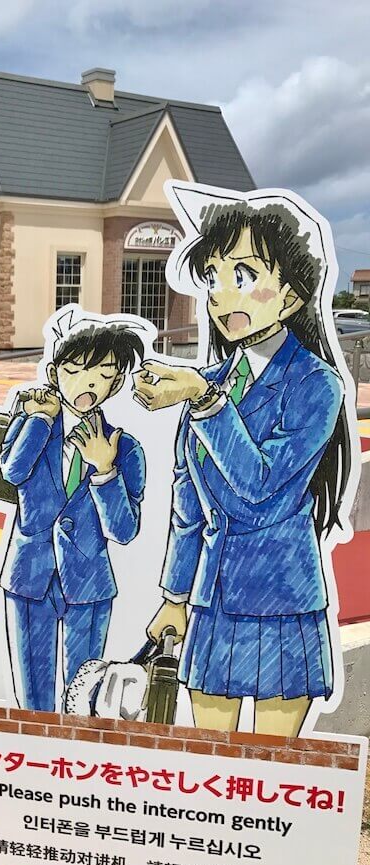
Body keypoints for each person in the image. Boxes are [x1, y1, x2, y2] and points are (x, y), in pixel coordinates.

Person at [134, 201, 353, 738]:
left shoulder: (316, 384)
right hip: (212, 598)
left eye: (243, 275)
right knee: (211, 760)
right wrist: (174, 599)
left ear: (292, 295)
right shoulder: (209, 383)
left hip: (281, 596)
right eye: (212, 277)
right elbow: (188, 508)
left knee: (273, 767)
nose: (220, 294)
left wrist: (205, 401)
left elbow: (260, 484)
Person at [0, 322, 146, 711]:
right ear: (54, 373)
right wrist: (40, 419)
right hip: (30, 576)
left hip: (89, 583)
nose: (88, 383)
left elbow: (124, 530)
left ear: (117, 383)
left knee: (82, 699)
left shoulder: (124, 448)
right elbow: (13, 471)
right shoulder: (33, 425)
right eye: (75, 370)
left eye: (103, 373)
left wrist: (105, 472)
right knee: (33, 699)